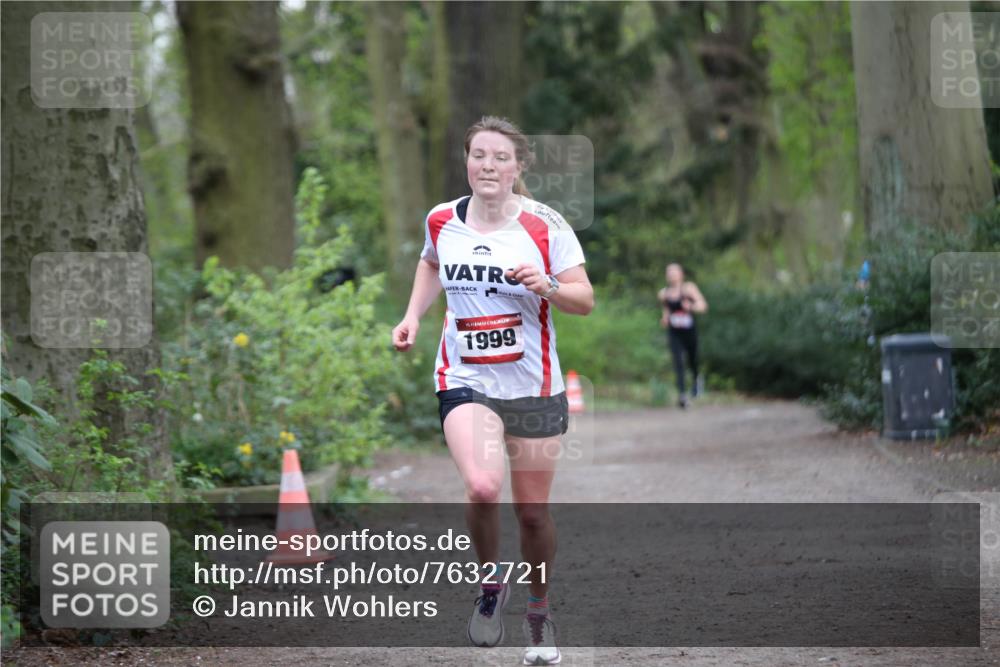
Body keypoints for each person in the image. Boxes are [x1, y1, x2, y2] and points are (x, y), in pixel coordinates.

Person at [392, 116, 593, 665]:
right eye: (479, 155)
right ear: (467, 161)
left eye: (500, 157)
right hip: (465, 378)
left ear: (518, 166)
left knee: (532, 515)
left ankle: (538, 607)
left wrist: (548, 285)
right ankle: (489, 587)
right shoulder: (442, 220)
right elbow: (430, 264)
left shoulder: (545, 225)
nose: (488, 165)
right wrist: (412, 316)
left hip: (533, 385)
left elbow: (583, 298)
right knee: (482, 486)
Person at [658, 263, 707, 408]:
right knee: (678, 360)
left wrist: (691, 306)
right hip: (674, 332)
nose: (671, 274)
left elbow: (703, 306)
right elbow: (666, 310)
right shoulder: (663, 293)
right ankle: (682, 395)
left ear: (681, 274)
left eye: (674, 271)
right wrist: (665, 318)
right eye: (669, 272)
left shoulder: (689, 288)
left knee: (692, 359)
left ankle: (697, 379)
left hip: (689, 331)